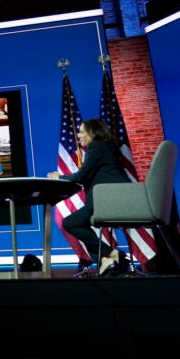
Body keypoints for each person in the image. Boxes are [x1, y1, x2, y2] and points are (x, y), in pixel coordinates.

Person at [47, 118, 131, 277]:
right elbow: (86, 177)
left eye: (82, 131)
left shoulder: (97, 146)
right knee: (74, 223)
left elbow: (82, 175)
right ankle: (107, 260)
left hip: (110, 200)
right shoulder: (103, 147)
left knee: (70, 223)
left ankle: (112, 256)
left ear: (93, 133)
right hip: (110, 198)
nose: (78, 135)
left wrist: (59, 177)